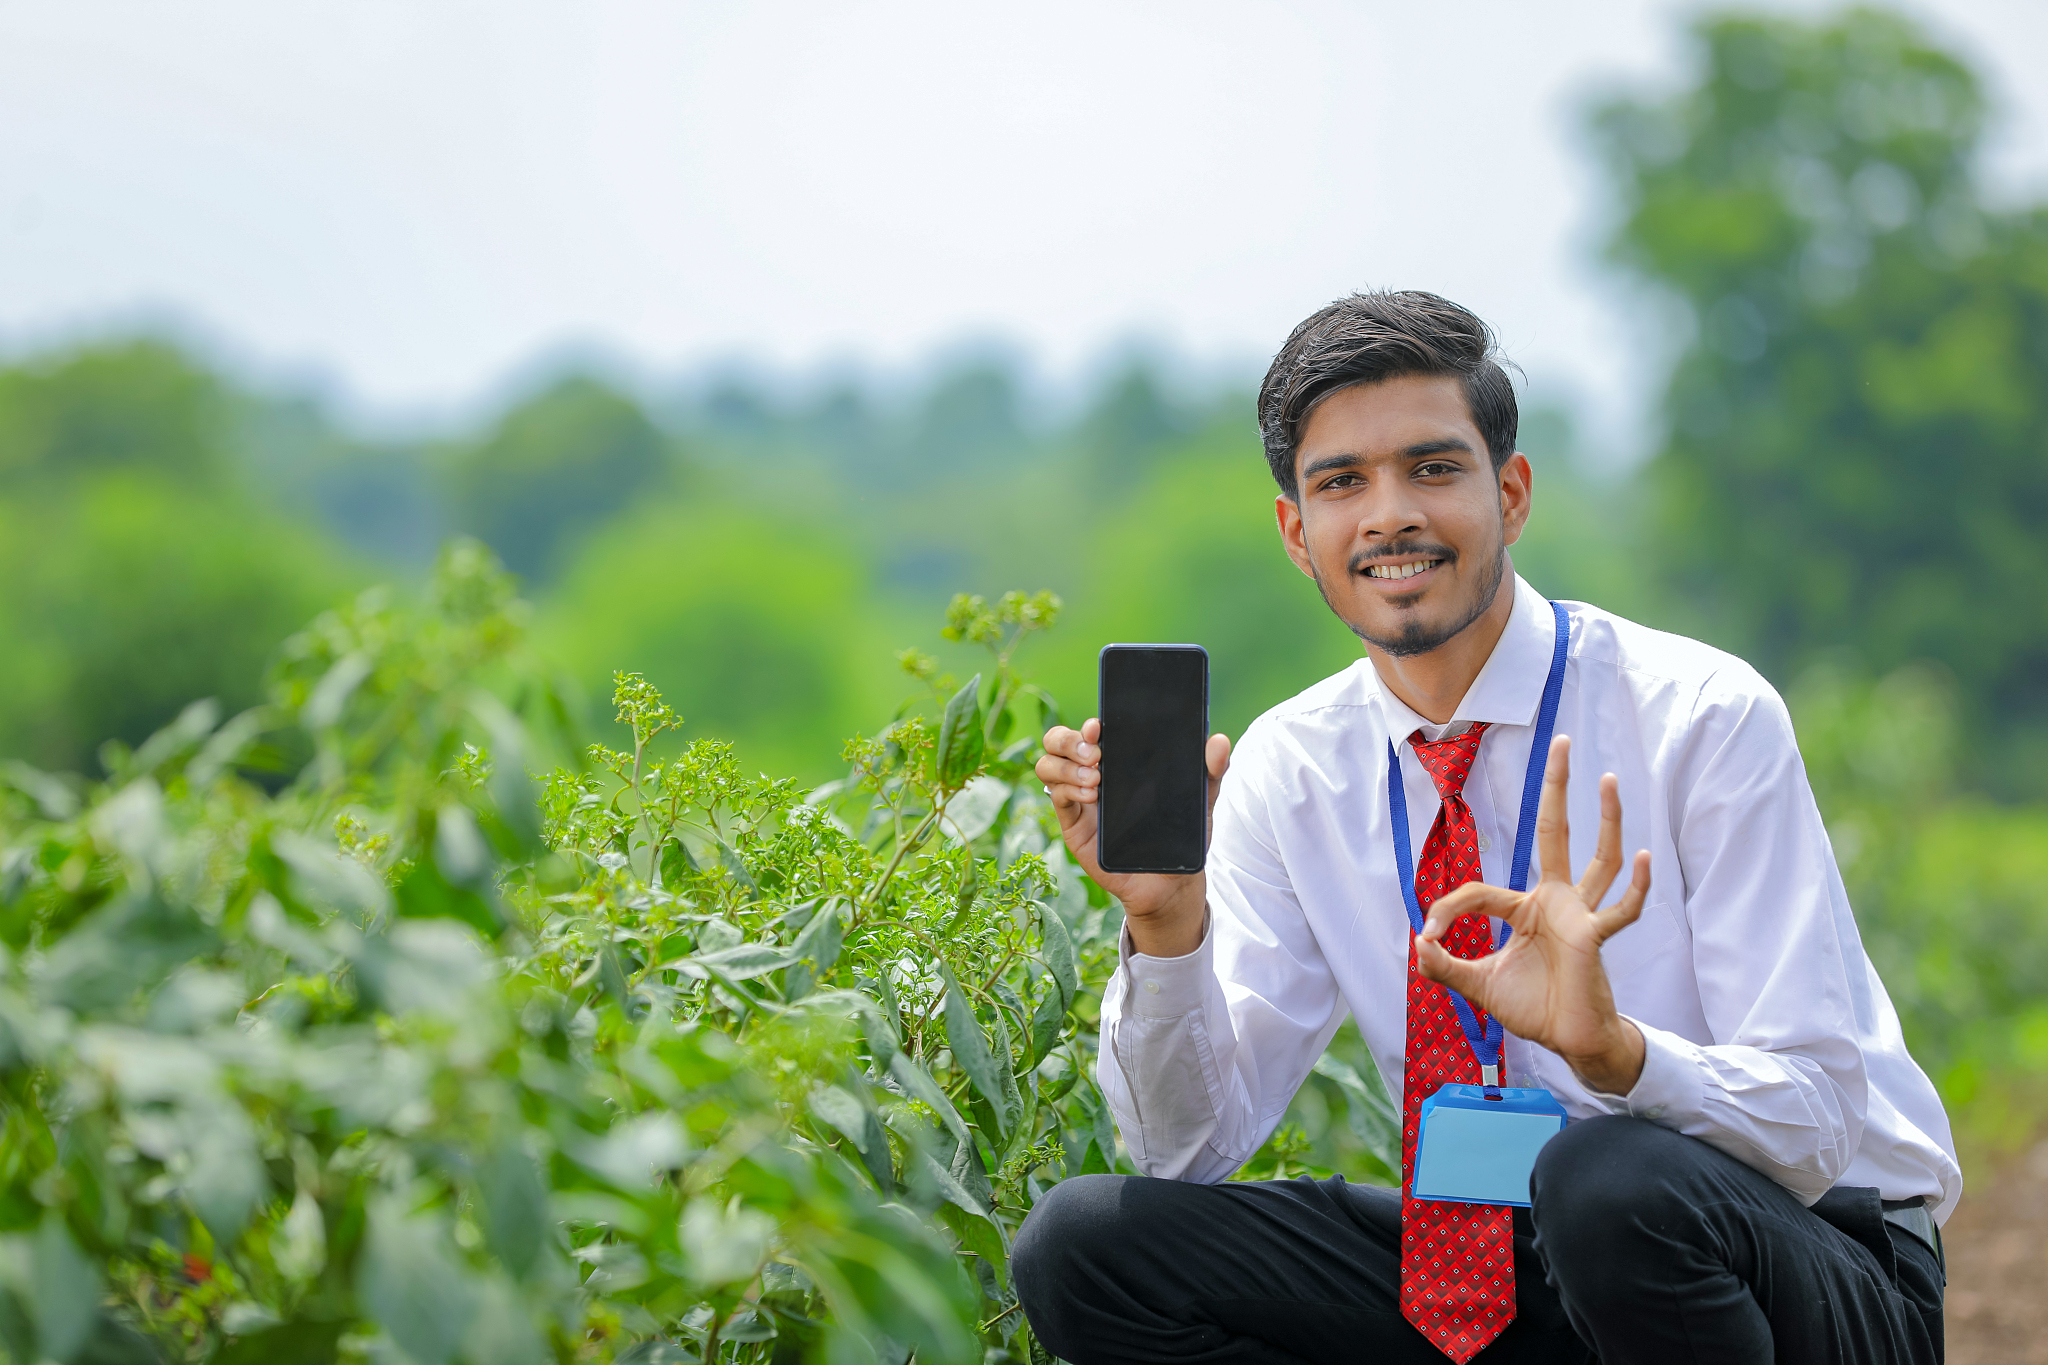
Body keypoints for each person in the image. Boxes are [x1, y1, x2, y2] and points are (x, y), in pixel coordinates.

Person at [1015, 291, 1957, 1364]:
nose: (1386, 517)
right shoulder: (1291, 766)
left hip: (1805, 1261)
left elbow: (1817, 1120)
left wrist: (1618, 1058)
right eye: (1340, 484)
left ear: (1508, 494)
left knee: (1605, 1179)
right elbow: (1181, 1153)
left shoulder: (1696, 715)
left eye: (1431, 469)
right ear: (1295, 532)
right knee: (1085, 1245)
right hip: (1493, 1261)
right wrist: (1168, 926)